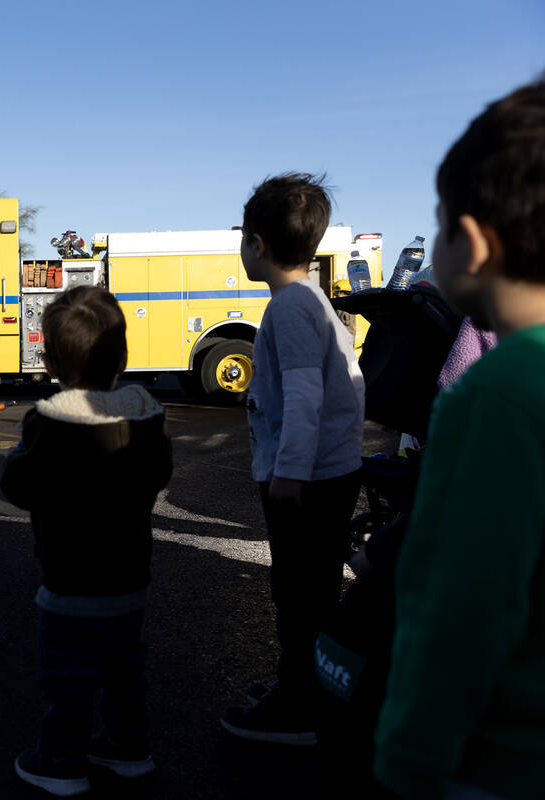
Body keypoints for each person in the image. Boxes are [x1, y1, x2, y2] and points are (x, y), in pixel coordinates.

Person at [374, 78, 545, 800]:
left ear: (470, 243)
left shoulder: (496, 393)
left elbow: (462, 603)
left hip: (496, 757)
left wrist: (408, 756)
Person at [0, 285, 172, 796]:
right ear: (123, 356)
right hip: (129, 577)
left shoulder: (49, 421)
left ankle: (61, 760)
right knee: (125, 670)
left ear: (49, 361)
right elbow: (159, 472)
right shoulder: (145, 417)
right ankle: (128, 748)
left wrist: (16, 455)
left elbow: (20, 487)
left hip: (69, 579)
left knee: (67, 676)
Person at [219, 173, 365, 745]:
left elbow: (305, 394)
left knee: (299, 593)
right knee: (316, 587)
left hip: (307, 478)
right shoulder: (315, 303)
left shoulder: (287, 309)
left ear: (257, 244)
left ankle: (299, 705)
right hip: (333, 471)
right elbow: (347, 387)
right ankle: (313, 688)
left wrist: (290, 471)